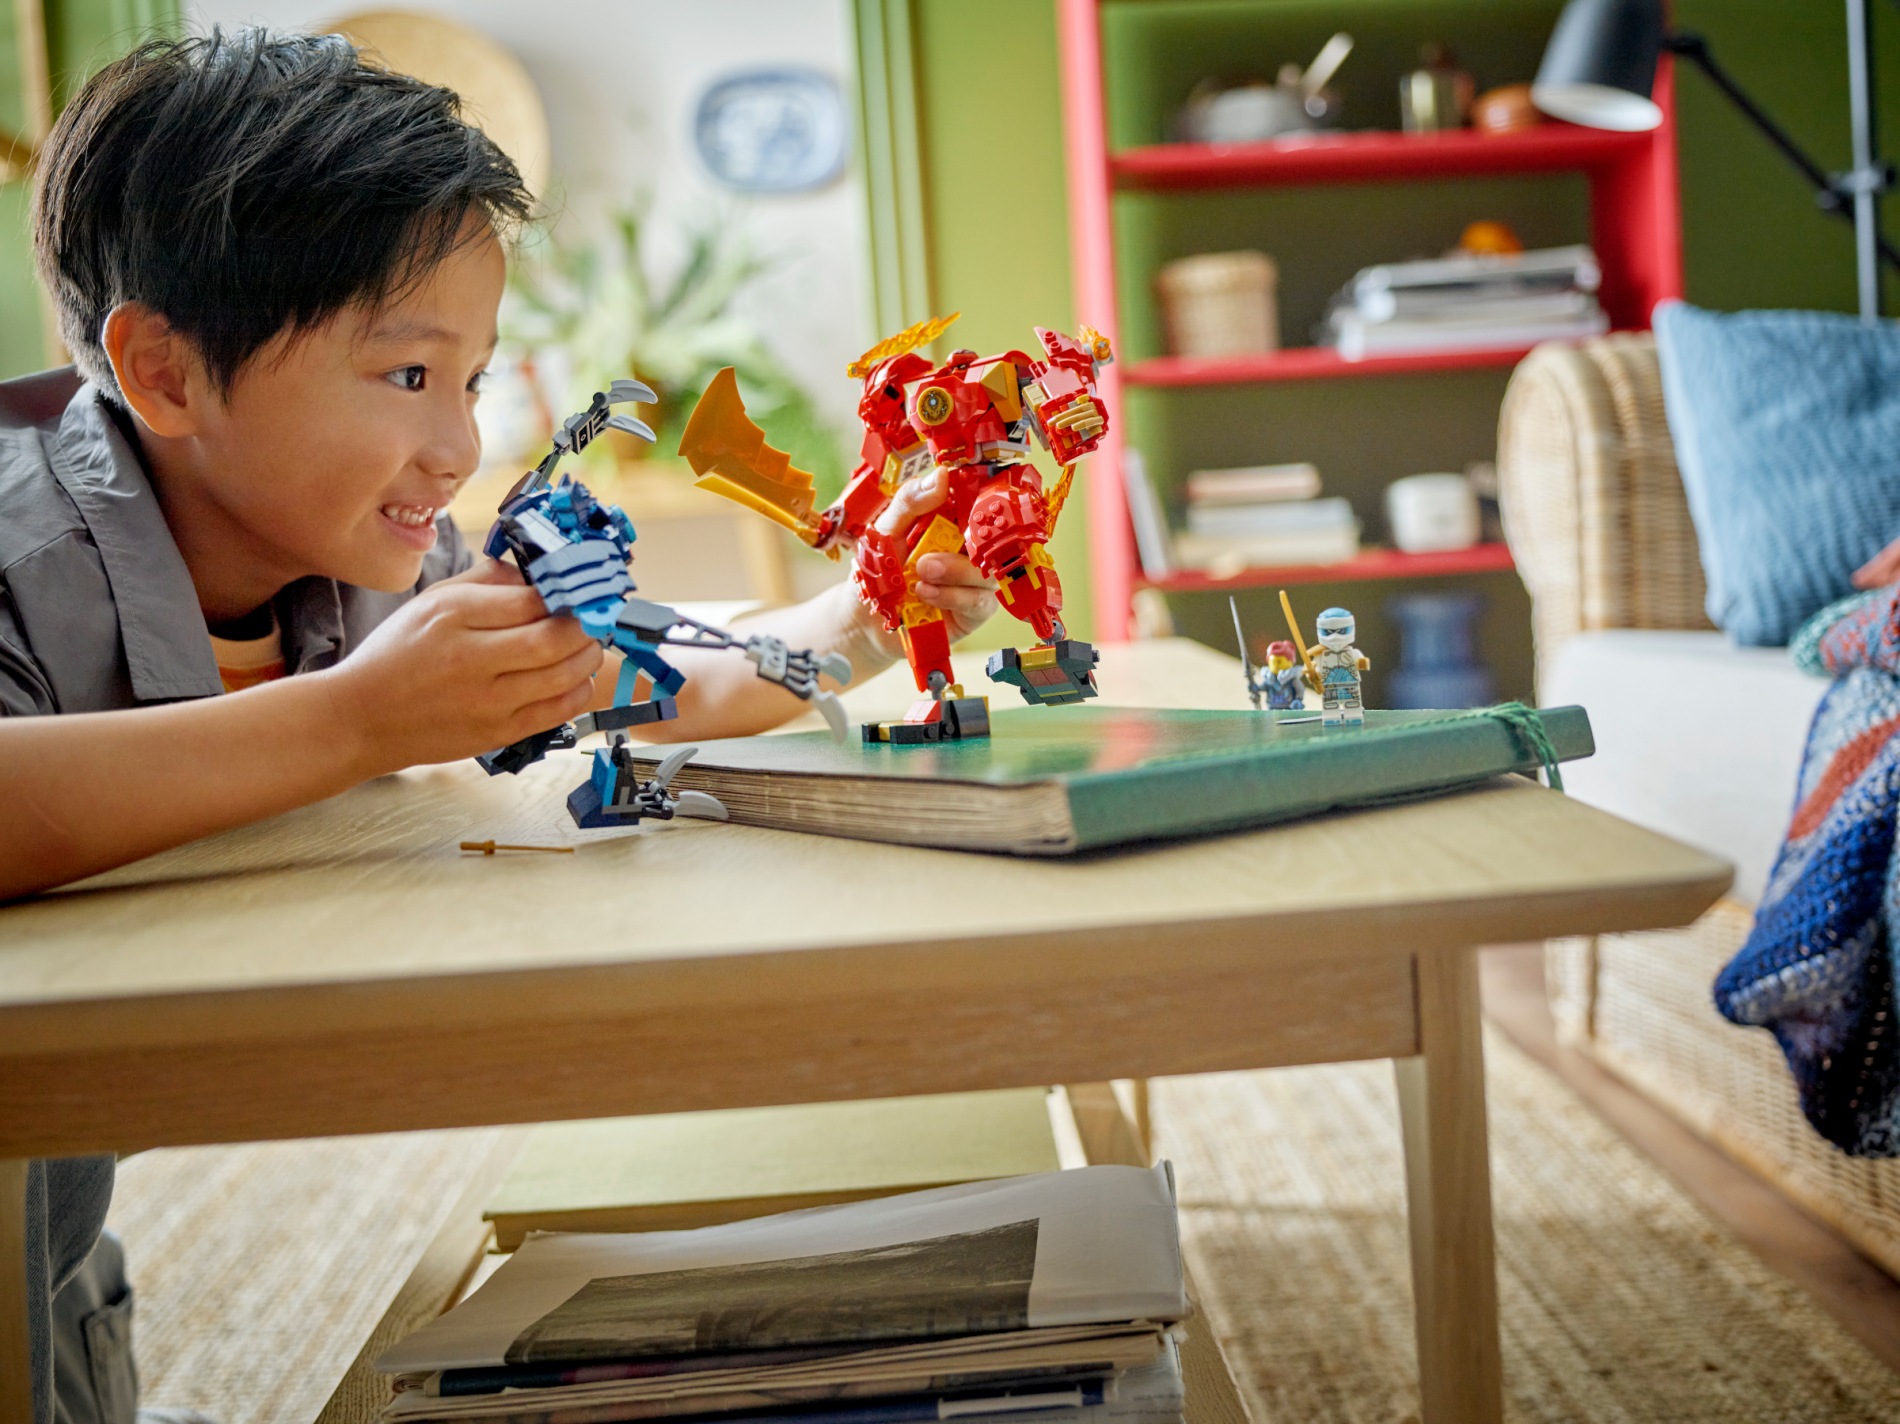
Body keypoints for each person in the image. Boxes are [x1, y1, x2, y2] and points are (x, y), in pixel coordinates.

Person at [0, 30, 999, 1423]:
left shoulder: (367, 548)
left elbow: (639, 670)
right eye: (408, 377)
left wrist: (868, 610)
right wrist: (354, 721)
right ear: (166, 374)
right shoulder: (21, 552)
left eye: (471, 382)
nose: (460, 446)